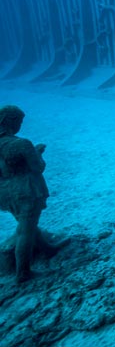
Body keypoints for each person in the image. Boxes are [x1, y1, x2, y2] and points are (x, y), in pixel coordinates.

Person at [0, 105, 59, 283]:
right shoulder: (22, 144)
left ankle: (47, 249)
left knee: (28, 224)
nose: (20, 125)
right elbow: (38, 168)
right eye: (19, 121)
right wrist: (37, 152)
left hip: (5, 192)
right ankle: (23, 273)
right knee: (25, 230)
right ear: (11, 121)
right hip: (26, 190)